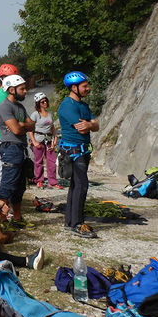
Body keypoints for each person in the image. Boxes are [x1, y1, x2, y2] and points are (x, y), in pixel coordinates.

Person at [58, 71, 99, 238]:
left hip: (81, 150)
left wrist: (90, 124)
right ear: (74, 87)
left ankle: (70, 221)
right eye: (84, 86)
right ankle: (77, 223)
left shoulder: (83, 105)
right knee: (81, 186)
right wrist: (90, 124)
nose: (87, 88)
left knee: (76, 185)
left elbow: (95, 125)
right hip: (75, 152)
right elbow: (82, 127)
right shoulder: (68, 105)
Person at [0, 75, 36, 230]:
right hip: (10, 148)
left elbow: (32, 125)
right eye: (22, 89)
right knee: (8, 184)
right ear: (11, 90)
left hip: (20, 149)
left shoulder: (20, 107)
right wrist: (22, 125)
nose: (25, 91)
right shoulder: (5, 106)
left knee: (20, 186)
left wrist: (22, 124)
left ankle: (17, 218)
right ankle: (3, 220)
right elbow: (17, 129)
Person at [0, 64, 19, 199]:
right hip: (3, 137)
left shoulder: (5, 93)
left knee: (5, 169)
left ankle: (3, 199)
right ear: (2, 79)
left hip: (5, 135)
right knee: (3, 170)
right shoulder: (1, 95)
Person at [29, 92, 62, 190]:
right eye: (42, 102)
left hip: (49, 140)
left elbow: (52, 128)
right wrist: (34, 142)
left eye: (45, 101)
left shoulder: (50, 114)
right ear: (38, 103)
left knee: (51, 161)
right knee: (38, 162)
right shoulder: (35, 115)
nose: (45, 103)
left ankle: (53, 182)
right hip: (38, 139)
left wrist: (55, 138)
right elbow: (30, 130)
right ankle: (39, 181)